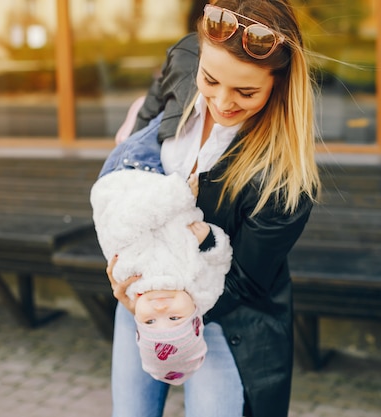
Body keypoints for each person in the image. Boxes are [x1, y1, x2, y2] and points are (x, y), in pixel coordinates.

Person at [107, 0, 320, 415]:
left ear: (279, 84)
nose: (222, 102)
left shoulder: (283, 181)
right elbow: (134, 151)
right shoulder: (184, 57)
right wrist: (136, 289)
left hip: (227, 322)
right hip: (139, 306)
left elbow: (247, 283)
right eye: (210, 79)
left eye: (246, 91)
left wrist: (167, 300)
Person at [91, 112, 233, 385]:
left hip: (127, 175)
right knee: (188, 121)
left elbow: (125, 221)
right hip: (166, 185)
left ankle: (141, 112)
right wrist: (210, 241)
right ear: (195, 316)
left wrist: (180, 194)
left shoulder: (134, 279)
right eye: (174, 317)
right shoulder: (205, 293)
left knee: (169, 113)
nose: (159, 309)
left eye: (150, 323)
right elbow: (220, 261)